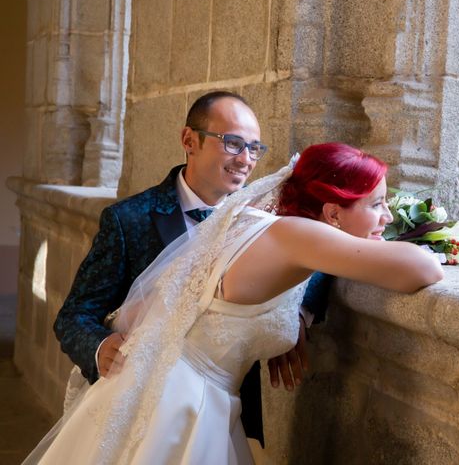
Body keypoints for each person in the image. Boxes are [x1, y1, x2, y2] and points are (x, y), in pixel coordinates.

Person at [26, 142, 444, 464]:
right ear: (333, 214)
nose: (388, 216)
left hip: (171, 383)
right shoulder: (297, 235)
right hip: (186, 405)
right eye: (377, 205)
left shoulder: (261, 223)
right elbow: (424, 270)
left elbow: (148, 307)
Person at [52, 91, 328, 448]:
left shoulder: (265, 217)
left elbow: (323, 249)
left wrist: (296, 315)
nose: (245, 160)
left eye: (255, 148)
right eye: (232, 143)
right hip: (144, 414)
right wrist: (99, 346)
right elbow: (74, 315)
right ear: (188, 140)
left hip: (226, 411)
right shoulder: (129, 219)